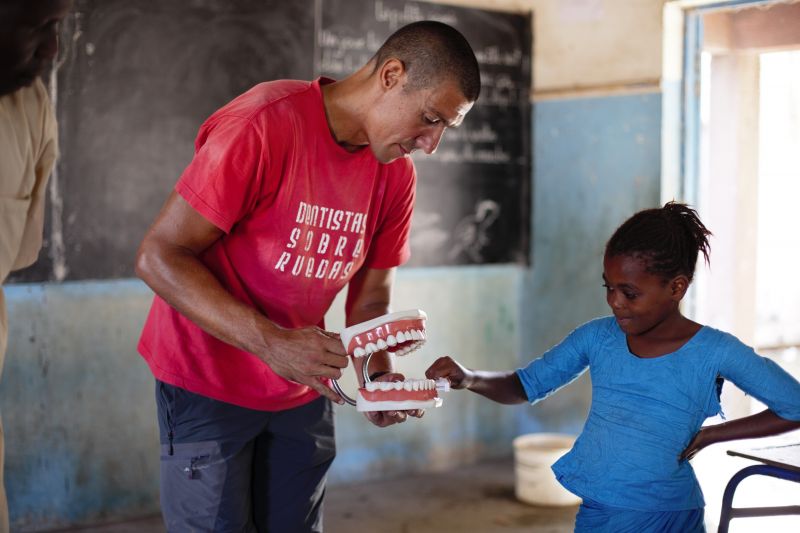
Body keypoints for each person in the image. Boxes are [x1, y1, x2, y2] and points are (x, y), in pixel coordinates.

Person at [134, 20, 480, 532]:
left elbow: (369, 301)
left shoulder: (395, 176)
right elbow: (160, 256)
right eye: (430, 119)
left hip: (301, 390)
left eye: (445, 129)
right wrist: (270, 342)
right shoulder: (265, 124)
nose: (431, 144)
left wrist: (375, 379)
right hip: (207, 381)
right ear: (390, 75)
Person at [426, 202, 800, 532]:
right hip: (603, 513)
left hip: (673, 513)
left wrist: (712, 435)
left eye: (630, 293)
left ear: (677, 288)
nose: (615, 302)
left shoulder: (716, 350)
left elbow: (794, 405)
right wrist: (469, 377)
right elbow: (526, 386)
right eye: (609, 287)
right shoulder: (598, 338)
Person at [0, 1, 72, 531]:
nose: (54, 49)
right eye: (37, 27)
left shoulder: (30, 103)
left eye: (58, 26)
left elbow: (22, 250)